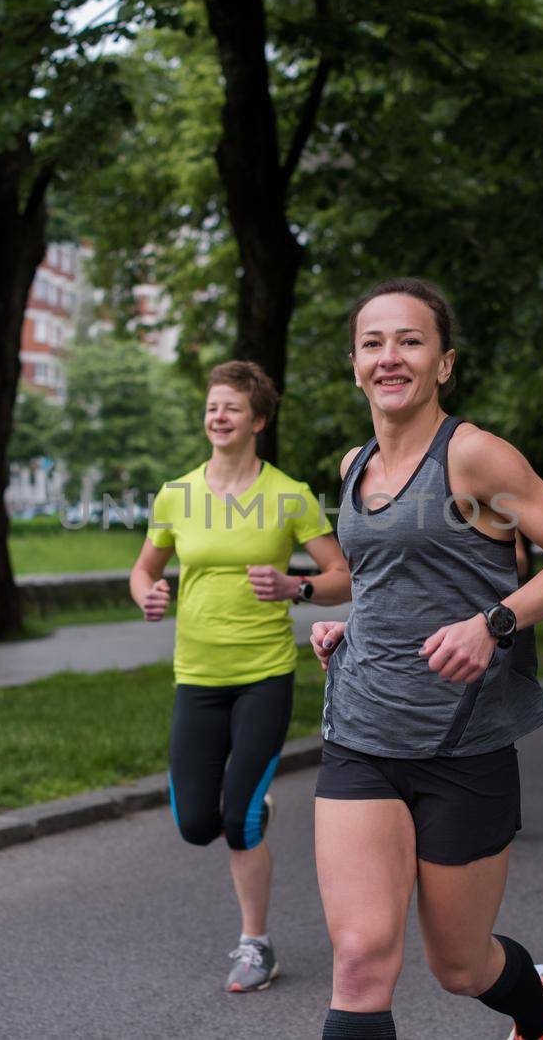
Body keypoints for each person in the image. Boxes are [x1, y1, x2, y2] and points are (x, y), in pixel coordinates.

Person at [310, 278, 543, 1040]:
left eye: (410, 340)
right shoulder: (354, 464)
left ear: (444, 363)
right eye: (373, 343)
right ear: (353, 363)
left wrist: (494, 622)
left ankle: (538, 1009)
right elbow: (382, 576)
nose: (390, 357)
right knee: (362, 958)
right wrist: (352, 626)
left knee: (460, 966)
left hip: (459, 743)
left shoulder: (474, 457)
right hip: (361, 731)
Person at [129, 360, 350, 993]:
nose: (218, 416)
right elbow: (143, 569)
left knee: (240, 824)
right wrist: (147, 593)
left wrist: (296, 585)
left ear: (257, 419)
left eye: (231, 407)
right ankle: (246, 803)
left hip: (264, 674)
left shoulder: (289, 495)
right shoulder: (177, 493)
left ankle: (256, 945)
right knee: (198, 824)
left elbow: (343, 577)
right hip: (196, 676)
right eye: (211, 407)